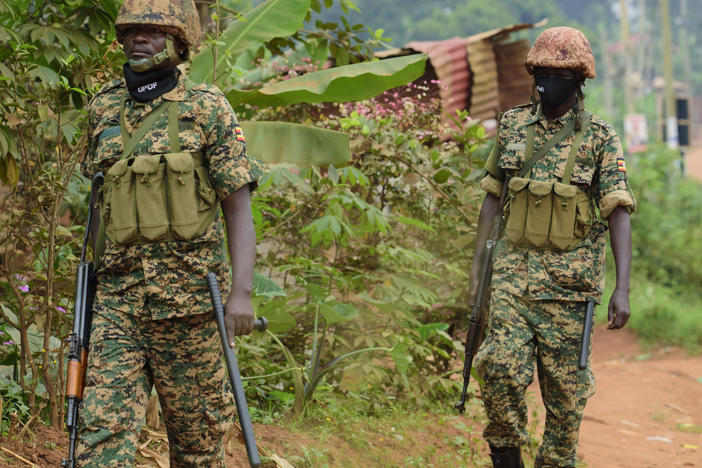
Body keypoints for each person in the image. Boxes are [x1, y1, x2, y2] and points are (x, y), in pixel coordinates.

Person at [76, 0, 263, 466]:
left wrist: (241, 293)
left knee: (199, 445)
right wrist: (89, 290)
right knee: (100, 437)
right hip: (119, 302)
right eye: (133, 30)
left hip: (194, 304)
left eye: (155, 31)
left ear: (179, 43)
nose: (141, 38)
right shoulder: (102, 108)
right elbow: (99, 206)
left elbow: (237, 206)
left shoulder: (206, 107)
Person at [470, 27, 636, 468]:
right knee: (499, 371)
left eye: (561, 72)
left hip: (570, 289)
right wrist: (477, 271)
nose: (550, 80)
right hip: (511, 279)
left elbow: (618, 210)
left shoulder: (599, 136)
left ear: (580, 78)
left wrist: (622, 289)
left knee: (566, 402)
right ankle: (507, 458)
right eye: (543, 71)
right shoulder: (511, 125)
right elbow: (492, 196)